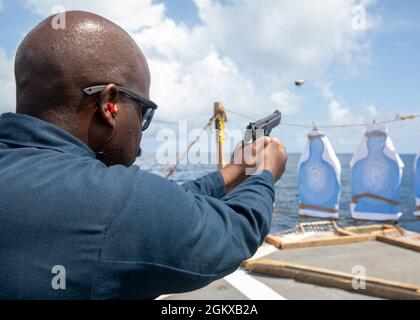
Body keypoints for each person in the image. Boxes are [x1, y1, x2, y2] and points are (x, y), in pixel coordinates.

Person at [0, 11, 287, 299]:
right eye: (143, 111)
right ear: (109, 105)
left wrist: (233, 172)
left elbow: (158, 205)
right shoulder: (111, 202)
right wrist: (265, 173)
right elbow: (234, 232)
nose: (141, 128)